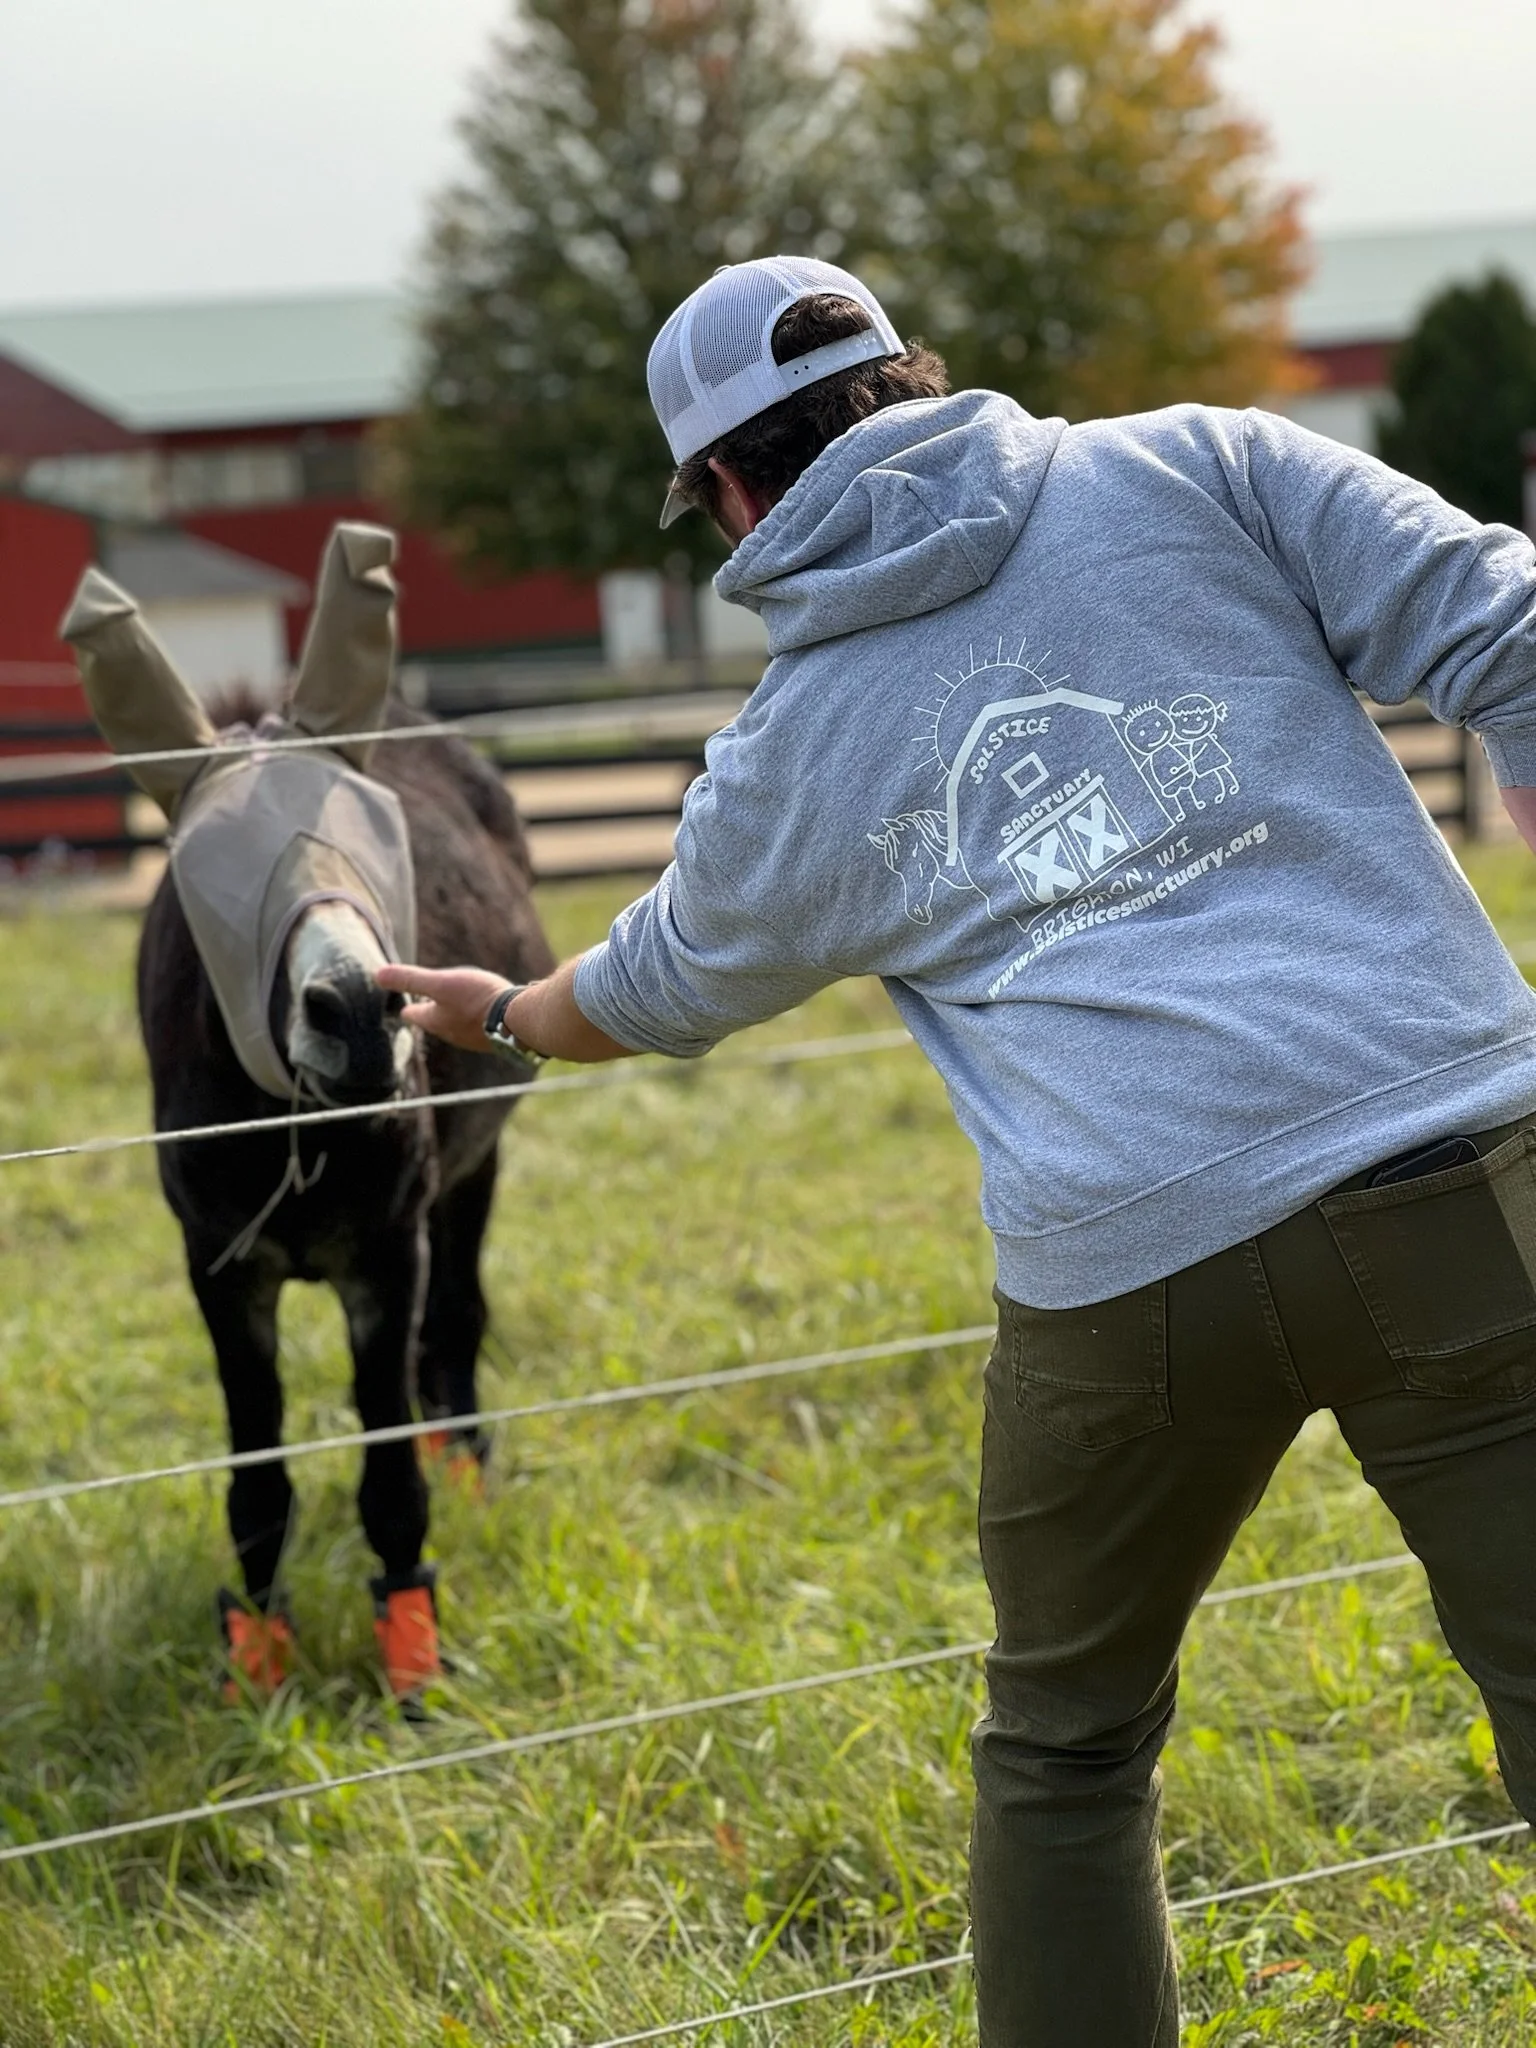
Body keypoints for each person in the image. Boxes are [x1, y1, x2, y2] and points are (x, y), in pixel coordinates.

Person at [379, 254, 1536, 2045]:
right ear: (914, 378)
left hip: (1129, 1280)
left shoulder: (790, 749)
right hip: (1461, 1177)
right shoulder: (1205, 465)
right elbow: (1510, 625)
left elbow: (663, 983)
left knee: (1066, 1746)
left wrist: (505, 1012)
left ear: (733, 494)